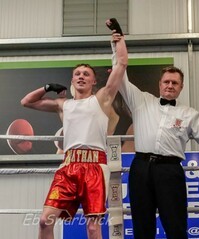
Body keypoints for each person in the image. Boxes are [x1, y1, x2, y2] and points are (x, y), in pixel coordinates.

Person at [20, 18, 127, 239]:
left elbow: (121, 65)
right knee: (44, 221)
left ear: (93, 82)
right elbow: (26, 102)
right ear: (72, 79)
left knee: (93, 227)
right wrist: (47, 87)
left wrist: (119, 38)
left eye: (86, 74)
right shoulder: (63, 105)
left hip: (95, 167)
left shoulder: (102, 99)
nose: (81, 76)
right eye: (77, 73)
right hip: (69, 167)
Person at [115, 55, 199, 238]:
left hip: (169, 170)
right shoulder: (141, 101)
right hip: (140, 168)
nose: (170, 85)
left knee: (175, 224)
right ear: (159, 84)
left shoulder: (189, 114)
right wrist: (117, 47)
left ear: (181, 87)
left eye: (174, 83)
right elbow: (121, 75)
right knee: (142, 224)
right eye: (166, 82)